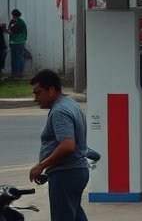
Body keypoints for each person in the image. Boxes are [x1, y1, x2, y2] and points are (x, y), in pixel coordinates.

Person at [29, 69, 89, 221]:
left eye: (38, 93)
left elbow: (68, 145)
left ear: (51, 90)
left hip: (66, 174)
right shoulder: (70, 103)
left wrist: (41, 166)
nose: (36, 98)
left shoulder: (60, 111)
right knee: (75, 216)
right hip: (74, 172)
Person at [9, 8, 28, 78]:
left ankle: (18, 73)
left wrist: (7, 30)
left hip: (17, 42)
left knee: (18, 58)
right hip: (17, 42)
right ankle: (17, 73)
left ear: (15, 15)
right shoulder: (18, 21)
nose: (12, 16)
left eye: (13, 15)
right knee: (18, 57)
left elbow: (13, 31)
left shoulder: (19, 22)